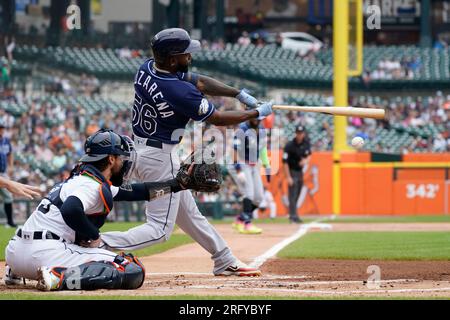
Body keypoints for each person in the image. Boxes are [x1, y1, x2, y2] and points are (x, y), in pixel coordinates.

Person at [100, 28, 273, 276]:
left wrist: (238, 94)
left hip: (142, 148)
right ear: (172, 59)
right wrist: (256, 113)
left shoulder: (147, 68)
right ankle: (98, 244)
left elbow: (200, 81)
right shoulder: (178, 91)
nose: (190, 57)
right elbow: (217, 118)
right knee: (159, 229)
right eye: (185, 54)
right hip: (159, 158)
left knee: (189, 214)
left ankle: (224, 259)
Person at [4, 129, 208, 291]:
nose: (124, 161)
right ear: (111, 159)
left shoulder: (81, 179)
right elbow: (71, 209)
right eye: (121, 157)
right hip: (45, 255)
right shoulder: (89, 185)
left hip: (16, 254)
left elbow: (137, 192)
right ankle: (59, 277)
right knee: (131, 269)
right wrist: (95, 237)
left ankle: (13, 272)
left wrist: (178, 185)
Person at [231, 117, 270, 234]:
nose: (257, 120)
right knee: (249, 193)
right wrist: (238, 169)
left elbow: (262, 149)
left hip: (254, 164)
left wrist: (266, 165)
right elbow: (234, 150)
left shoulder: (262, 129)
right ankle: (247, 223)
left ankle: (240, 219)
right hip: (243, 162)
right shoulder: (242, 129)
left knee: (258, 198)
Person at [282, 126, 311, 223]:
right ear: (295, 133)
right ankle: (293, 216)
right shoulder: (289, 145)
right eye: (298, 133)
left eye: (301, 133)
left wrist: (305, 161)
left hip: (300, 172)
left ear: (303, 133)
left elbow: (309, 155)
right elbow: (285, 162)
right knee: (292, 195)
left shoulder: (306, 143)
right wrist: (288, 177)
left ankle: (294, 215)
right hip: (291, 171)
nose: (300, 135)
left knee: (297, 193)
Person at [0, 121, 15, 227]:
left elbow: (10, 153)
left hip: (3, 173)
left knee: (8, 197)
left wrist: (11, 166)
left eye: (2, 128)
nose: (2, 130)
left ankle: (10, 222)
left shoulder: (5, 141)